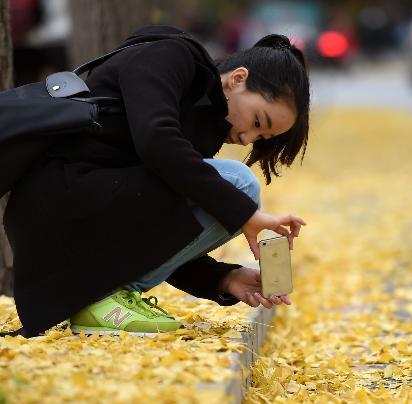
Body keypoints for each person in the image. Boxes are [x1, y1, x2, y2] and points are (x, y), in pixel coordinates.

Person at [3, 25, 309, 337]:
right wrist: (245, 213)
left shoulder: (202, 125)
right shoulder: (168, 55)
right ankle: (102, 299)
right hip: (58, 203)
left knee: (225, 186)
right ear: (238, 78)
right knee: (239, 183)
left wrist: (223, 279)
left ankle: (105, 297)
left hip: (83, 215)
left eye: (261, 137)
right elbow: (155, 140)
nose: (247, 138)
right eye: (258, 122)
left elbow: (158, 231)